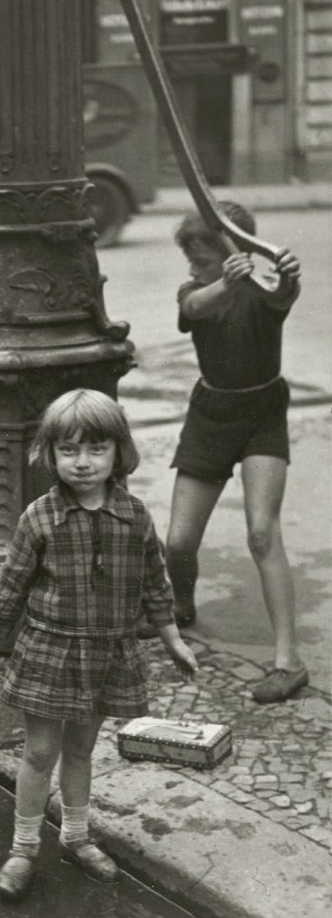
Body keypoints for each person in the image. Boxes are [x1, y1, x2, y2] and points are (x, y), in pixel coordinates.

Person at [0, 389, 197, 902]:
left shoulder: (135, 516)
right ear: (50, 454)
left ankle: (75, 836)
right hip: (49, 652)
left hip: (106, 652)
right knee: (39, 751)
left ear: (119, 451)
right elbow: (11, 585)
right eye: (68, 450)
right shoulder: (39, 517)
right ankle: (24, 847)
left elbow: (155, 583)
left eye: (96, 448)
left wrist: (172, 639)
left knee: (81, 750)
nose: (83, 462)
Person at [150, 202, 306, 705]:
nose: (192, 269)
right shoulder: (195, 291)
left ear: (236, 252)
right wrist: (222, 282)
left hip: (262, 414)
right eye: (190, 261)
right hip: (210, 417)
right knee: (179, 542)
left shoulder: (264, 292)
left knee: (262, 532)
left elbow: (284, 293)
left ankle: (289, 662)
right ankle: (182, 605)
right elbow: (196, 307)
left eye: (201, 260)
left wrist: (288, 274)